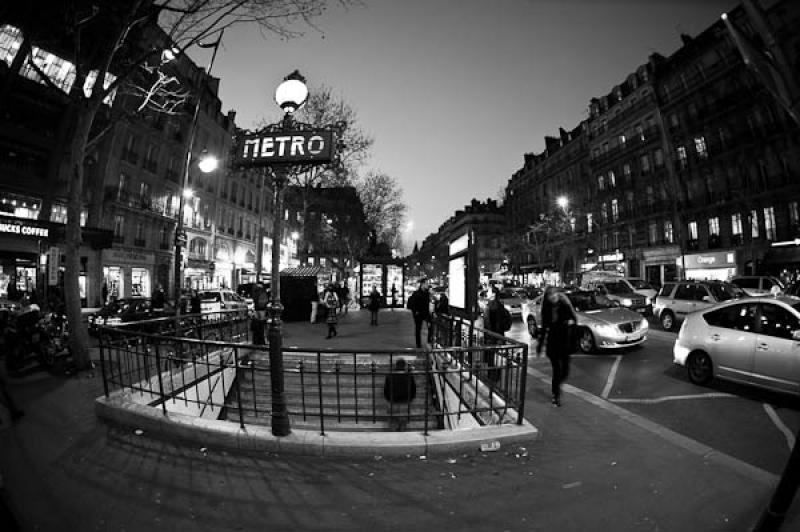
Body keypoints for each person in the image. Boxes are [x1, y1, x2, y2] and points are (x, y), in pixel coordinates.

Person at [538, 286, 577, 407]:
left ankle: (557, 386)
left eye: (555, 295)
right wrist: (540, 345)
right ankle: (556, 395)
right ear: (548, 298)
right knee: (557, 370)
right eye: (551, 296)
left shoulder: (564, 305)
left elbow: (574, 318)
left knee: (565, 371)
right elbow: (544, 328)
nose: (553, 297)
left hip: (564, 341)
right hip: (553, 343)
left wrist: (571, 322)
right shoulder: (546, 309)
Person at [383, 359, 416, 431]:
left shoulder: (390, 375)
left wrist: (388, 398)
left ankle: (394, 434)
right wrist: (410, 398)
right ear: (404, 366)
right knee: (403, 421)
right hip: (405, 401)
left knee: (393, 420)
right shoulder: (409, 376)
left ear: (396, 365)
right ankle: (402, 433)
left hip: (392, 401)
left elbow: (386, 389)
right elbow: (413, 389)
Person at [407, 278, 431, 349]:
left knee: (431, 327)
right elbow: (411, 305)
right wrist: (415, 312)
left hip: (426, 313)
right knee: (418, 329)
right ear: (422, 284)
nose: (427, 285)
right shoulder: (416, 293)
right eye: (426, 283)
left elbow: (428, 304)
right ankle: (418, 345)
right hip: (418, 314)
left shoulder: (427, 293)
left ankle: (429, 342)